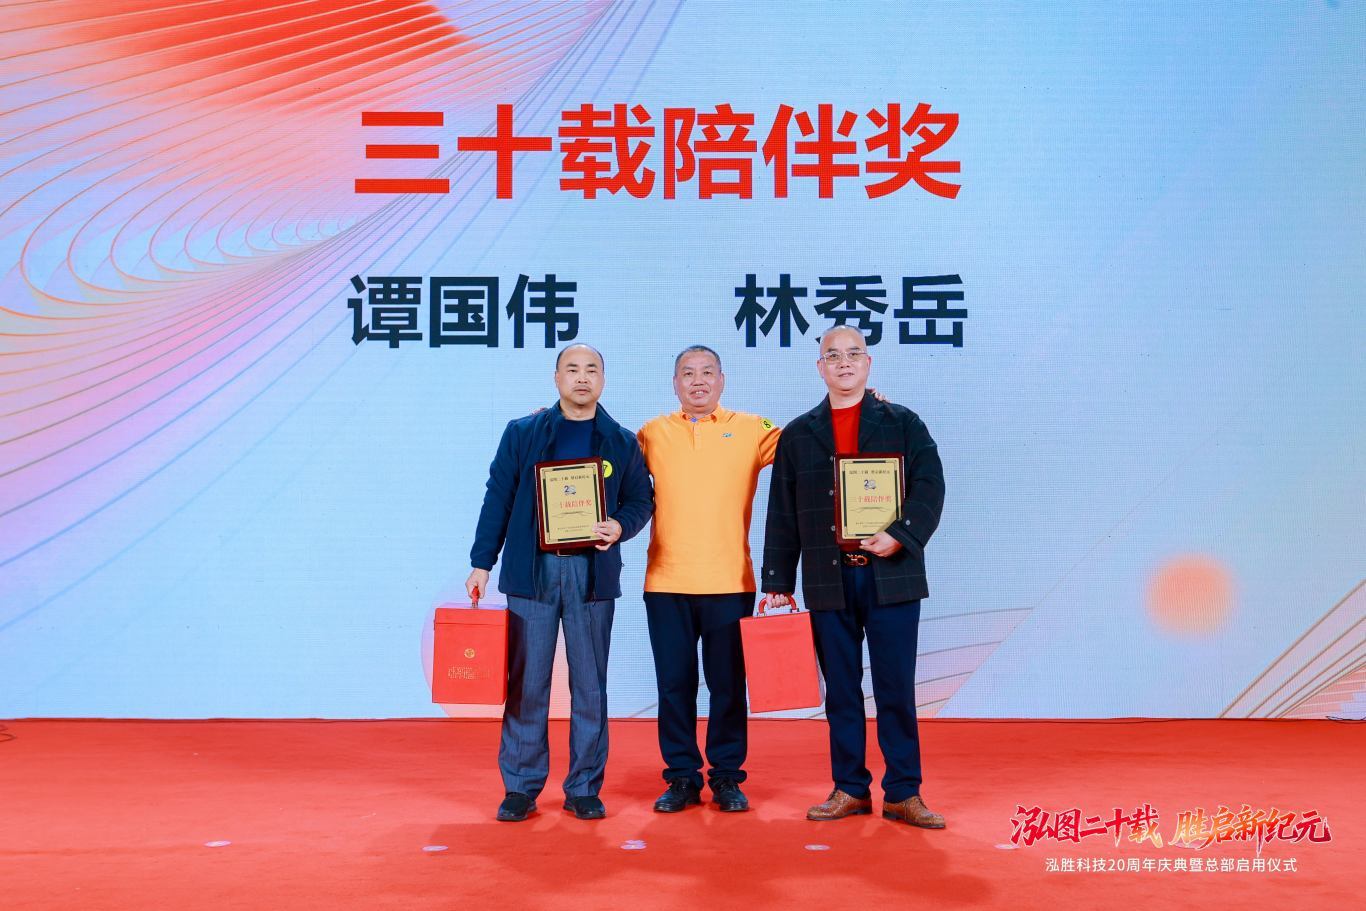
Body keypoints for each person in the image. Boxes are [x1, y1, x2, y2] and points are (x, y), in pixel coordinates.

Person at [761, 326, 947, 828]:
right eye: (833, 356)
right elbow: (782, 510)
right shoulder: (799, 434)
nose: (843, 363)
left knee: (895, 688)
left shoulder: (903, 423)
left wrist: (902, 536)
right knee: (841, 690)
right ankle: (849, 787)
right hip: (828, 578)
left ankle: (904, 792)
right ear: (819, 367)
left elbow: (930, 487)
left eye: (853, 354)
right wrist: (777, 580)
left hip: (892, 575)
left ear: (868, 363)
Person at [466, 343, 653, 822]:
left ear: (603, 380)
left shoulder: (620, 441)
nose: (582, 377)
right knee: (528, 683)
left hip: (592, 574)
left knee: (591, 685)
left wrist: (620, 526)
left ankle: (584, 787)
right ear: (557, 378)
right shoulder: (523, 432)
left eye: (592, 369)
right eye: (572, 369)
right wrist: (482, 562)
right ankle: (521, 787)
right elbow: (498, 496)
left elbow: (641, 500)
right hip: (533, 572)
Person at [635, 345, 781, 813]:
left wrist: (862, 405)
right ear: (674, 384)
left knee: (728, 686)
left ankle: (726, 777)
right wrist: (552, 423)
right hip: (666, 582)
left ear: (722, 380)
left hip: (730, 581)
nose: (697, 381)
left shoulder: (752, 429)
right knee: (674, 686)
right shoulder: (652, 433)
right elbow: (604, 460)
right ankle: (681, 776)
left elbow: (811, 444)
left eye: (707, 372)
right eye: (687, 374)